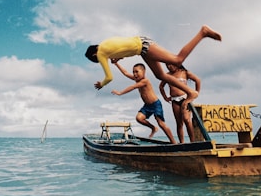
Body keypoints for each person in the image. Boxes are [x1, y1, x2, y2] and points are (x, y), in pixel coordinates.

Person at [85, 25, 221, 110]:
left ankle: (203, 33)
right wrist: (120, 58)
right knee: (160, 75)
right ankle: (190, 92)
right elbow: (124, 46)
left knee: (178, 60)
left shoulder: (101, 54)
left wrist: (101, 84)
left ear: (94, 54)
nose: (102, 61)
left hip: (143, 46)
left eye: (97, 60)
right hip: (141, 47)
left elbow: (109, 77)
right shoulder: (105, 43)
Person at [111, 61, 176, 142]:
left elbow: (133, 87)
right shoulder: (136, 79)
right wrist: (116, 63)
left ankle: (173, 142)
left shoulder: (145, 81)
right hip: (147, 105)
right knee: (139, 118)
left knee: (161, 123)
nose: (135, 74)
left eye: (137, 72)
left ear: (144, 72)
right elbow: (125, 73)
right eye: (133, 72)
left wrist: (120, 92)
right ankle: (153, 128)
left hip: (156, 104)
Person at [159, 63, 200, 143]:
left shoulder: (184, 72)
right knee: (179, 123)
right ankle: (182, 143)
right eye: (167, 65)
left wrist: (196, 93)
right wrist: (165, 97)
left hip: (185, 98)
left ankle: (192, 141)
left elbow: (197, 80)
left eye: (171, 65)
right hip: (174, 100)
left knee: (187, 120)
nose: (169, 67)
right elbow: (161, 86)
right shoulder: (167, 75)